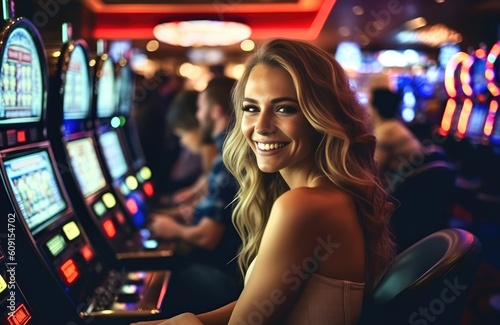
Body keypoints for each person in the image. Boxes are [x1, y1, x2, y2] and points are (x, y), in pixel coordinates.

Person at [133, 38, 395, 325]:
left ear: (321, 116)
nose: (261, 126)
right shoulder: (320, 195)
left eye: (284, 109)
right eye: (251, 108)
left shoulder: (304, 205)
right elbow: (258, 304)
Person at [147, 76, 242, 317]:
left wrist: (173, 229)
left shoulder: (226, 157)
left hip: (229, 275)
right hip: (237, 270)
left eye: (200, 109)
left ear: (215, 111)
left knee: (162, 283)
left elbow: (208, 237)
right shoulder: (229, 151)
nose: (198, 117)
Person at [368, 87, 426, 192]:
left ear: (375, 109)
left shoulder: (386, 132)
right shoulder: (395, 125)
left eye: (368, 105)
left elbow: (373, 170)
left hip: (398, 192)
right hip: (410, 186)